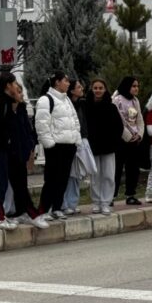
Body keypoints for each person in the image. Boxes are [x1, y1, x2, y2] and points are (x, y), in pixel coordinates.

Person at [0, 72, 48, 230]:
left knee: (19, 184)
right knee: (0, 183)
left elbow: (24, 130)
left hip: (12, 151)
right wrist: (7, 139)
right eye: (15, 85)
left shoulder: (14, 105)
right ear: (8, 86)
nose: (19, 91)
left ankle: (26, 212)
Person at [34, 72, 81, 220]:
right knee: (51, 179)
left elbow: (75, 120)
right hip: (55, 147)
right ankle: (43, 210)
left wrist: (76, 139)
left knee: (63, 179)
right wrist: (49, 143)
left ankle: (57, 208)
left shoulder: (66, 99)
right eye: (65, 81)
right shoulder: (45, 100)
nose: (68, 83)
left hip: (69, 145)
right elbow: (41, 124)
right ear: (57, 82)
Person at [85, 78, 120, 215]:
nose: (98, 90)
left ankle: (106, 202)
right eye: (95, 88)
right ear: (92, 89)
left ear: (105, 90)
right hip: (92, 147)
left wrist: (114, 141)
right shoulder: (86, 106)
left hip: (108, 147)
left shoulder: (111, 107)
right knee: (95, 176)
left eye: (100, 88)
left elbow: (119, 127)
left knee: (108, 176)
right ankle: (96, 202)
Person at [112, 76, 145, 205]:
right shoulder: (117, 100)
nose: (136, 88)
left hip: (135, 140)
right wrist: (128, 136)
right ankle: (111, 196)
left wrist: (139, 134)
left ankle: (130, 194)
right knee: (117, 168)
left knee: (133, 168)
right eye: (133, 86)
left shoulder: (135, 101)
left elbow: (139, 119)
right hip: (122, 140)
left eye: (137, 86)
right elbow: (118, 121)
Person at [63, 79, 88, 215]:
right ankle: (65, 203)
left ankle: (72, 203)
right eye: (78, 87)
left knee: (77, 174)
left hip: (81, 141)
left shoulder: (81, 104)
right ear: (72, 90)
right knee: (69, 174)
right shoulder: (68, 105)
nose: (81, 88)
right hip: (70, 142)